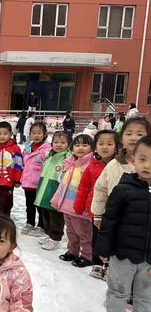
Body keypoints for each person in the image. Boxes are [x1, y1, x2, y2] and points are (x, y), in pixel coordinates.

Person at [96, 135, 151, 312]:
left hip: (148, 259)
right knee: (118, 290)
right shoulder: (123, 189)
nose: (147, 165)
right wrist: (104, 248)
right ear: (133, 160)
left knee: (145, 294)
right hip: (122, 254)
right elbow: (110, 221)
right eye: (143, 159)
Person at [74, 130, 119, 279]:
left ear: (117, 146)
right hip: (97, 211)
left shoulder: (120, 165)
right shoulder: (92, 166)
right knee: (97, 239)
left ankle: (112, 266)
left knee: (114, 239)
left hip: (116, 212)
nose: (105, 147)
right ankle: (97, 264)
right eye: (101, 144)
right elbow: (84, 187)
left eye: (109, 144)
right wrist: (79, 205)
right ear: (95, 147)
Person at [91, 117, 151, 226]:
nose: (133, 138)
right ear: (121, 139)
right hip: (116, 218)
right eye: (128, 134)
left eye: (139, 134)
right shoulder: (113, 165)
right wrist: (98, 214)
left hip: (144, 221)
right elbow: (101, 189)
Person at [51, 134, 94, 267]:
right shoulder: (70, 163)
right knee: (70, 231)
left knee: (83, 233)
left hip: (79, 207)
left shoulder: (89, 164)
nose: (80, 148)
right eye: (77, 145)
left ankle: (87, 255)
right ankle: (72, 251)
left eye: (85, 145)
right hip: (66, 204)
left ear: (92, 148)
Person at [34, 131, 71, 251]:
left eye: (63, 142)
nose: (59, 145)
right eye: (56, 142)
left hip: (56, 189)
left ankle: (56, 237)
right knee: (45, 212)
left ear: (69, 144)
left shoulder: (68, 158)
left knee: (55, 215)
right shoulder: (49, 155)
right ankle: (48, 233)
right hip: (45, 187)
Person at [21, 122, 52, 236]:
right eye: (33, 133)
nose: (36, 135)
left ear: (45, 134)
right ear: (30, 134)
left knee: (40, 206)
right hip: (28, 183)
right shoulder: (27, 148)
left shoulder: (47, 150)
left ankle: (41, 225)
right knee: (29, 205)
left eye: (39, 133)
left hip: (40, 184)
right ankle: (30, 223)